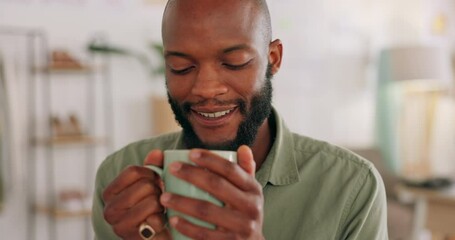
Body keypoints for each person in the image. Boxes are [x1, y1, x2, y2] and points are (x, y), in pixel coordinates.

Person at [92, 0, 388, 239]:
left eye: (235, 63)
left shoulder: (351, 187)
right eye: (181, 67)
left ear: (273, 59)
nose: (206, 88)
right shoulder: (122, 177)